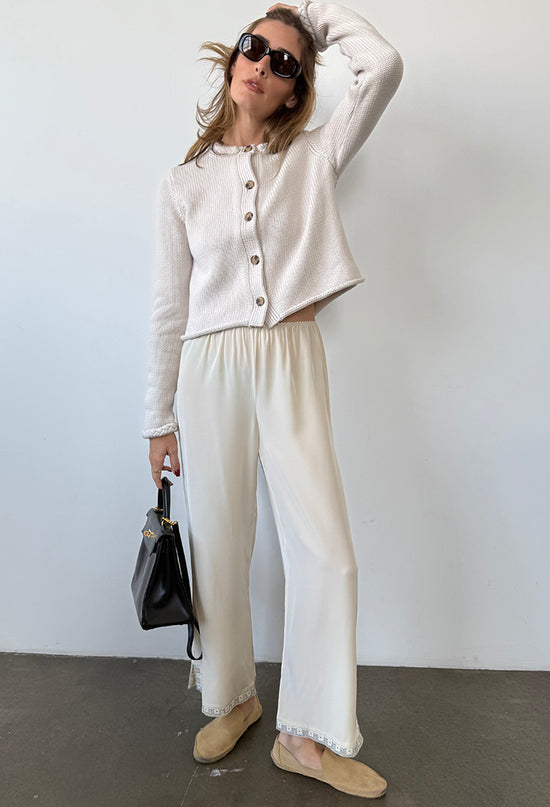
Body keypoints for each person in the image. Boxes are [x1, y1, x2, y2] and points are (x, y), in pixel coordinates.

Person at [143, 0, 403, 798]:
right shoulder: (182, 183)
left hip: (290, 355)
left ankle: (309, 734)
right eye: (256, 46)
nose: (264, 62)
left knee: (326, 548)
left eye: (285, 62)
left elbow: (385, 67)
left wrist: (308, 18)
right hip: (208, 365)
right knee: (221, 543)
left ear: (296, 90)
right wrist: (157, 417)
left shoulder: (316, 157)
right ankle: (234, 697)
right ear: (233, 60)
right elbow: (168, 306)